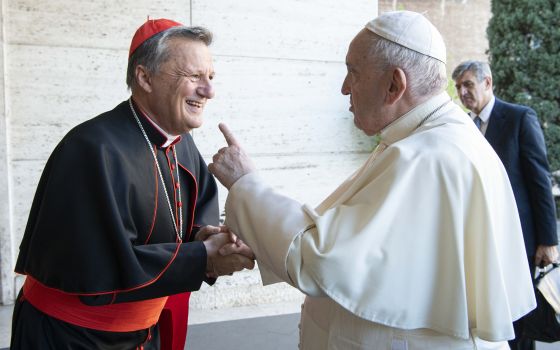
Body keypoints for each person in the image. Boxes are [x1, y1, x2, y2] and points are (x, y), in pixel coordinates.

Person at [209, 11, 537, 349]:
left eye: (353, 72)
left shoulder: (427, 154)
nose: (344, 87)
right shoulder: (424, 138)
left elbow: (323, 259)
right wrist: (261, 240)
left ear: (394, 85)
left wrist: (245, 184)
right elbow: (357, 246)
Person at [10, 18, 255, 350]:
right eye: (193, 76)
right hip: (73, 337)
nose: (209, 90)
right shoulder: (92, 148)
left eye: (210, 77)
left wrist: (206, 236)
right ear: (145, 77)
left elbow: (193, 217)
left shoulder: (182, 142)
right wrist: (204, 258)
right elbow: (102, 265)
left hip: (142, 333)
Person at [452, 60, 560, 350]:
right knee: (490, 312)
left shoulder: (519, 117)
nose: (462, 92)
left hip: (518, 237)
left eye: (468, 84)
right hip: (481, 237)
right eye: (458, 87)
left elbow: (540, 182)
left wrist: (549, 240)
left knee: (519, 315)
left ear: (487, 83)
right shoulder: (464, 126)